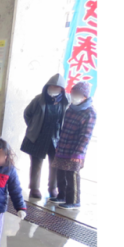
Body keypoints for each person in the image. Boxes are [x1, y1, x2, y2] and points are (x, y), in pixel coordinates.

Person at [19, 74, 69, 199]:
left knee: (55, 164)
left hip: (56, 138)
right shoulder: (39, 99)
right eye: (52, 86)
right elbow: (27, 113)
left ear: (62, 89)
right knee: (36, 164)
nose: (54, 89)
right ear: (47, 86)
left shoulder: (66, 100)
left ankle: (53, 187)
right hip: (39, 137)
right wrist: (33, 126)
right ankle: (34, 188)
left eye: (57, 87)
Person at [51, 81, 96, 210]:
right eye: (72, 92)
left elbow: (86, 136)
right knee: (60, 172)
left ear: (84, 96)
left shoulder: (90, 112)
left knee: (72, 175)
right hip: (63, 146)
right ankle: (62, 196)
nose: (73, 95)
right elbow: (64, 128)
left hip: (75, 150)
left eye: (76, 93)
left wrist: (79, 153)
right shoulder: (71, 108)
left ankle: (74, 201)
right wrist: (59, 144)